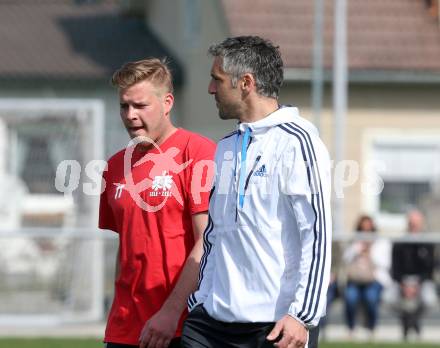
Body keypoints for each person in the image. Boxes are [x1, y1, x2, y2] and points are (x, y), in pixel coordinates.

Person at [181, 36, 332, 348]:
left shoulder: (298, 142)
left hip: (277, 326)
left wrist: (302, 315)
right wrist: (201, 300)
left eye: (216, 79)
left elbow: (316, 235)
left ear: (245, 83)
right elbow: (214, 233)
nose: (211, 89)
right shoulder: (225, 147)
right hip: (211, 322)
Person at [99, 58, 216, 348]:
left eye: (140, 106)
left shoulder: (199, 152)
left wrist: (171, 312)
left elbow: (207, 241)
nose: (130, 115)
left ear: (167, 103)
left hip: (183, 325)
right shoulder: (115, 166)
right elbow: (125, 248)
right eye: (124, 106)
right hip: (125, 327)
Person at [342, 215, 392, 338]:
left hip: (374, 279)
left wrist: (370, 252)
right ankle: (351, 328)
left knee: (371, 297)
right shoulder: (354, 241)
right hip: (356, 280)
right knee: (350, 297)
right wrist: (357, 248)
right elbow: (345, 259)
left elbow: (385, 263)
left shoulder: (381, 242)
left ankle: (371, 327)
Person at [391, 209, 436, 340]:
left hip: (421, 280)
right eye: (412, 223)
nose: (414, 226)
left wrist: (418, 284)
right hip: (402, 280)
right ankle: (408, 320)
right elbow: (395, 267)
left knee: (429, 299)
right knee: (389, 298)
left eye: (417, 223)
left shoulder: (427, 243)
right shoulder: (399, 242)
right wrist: (403, 284)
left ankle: (411, 321)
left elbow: (430, 268)